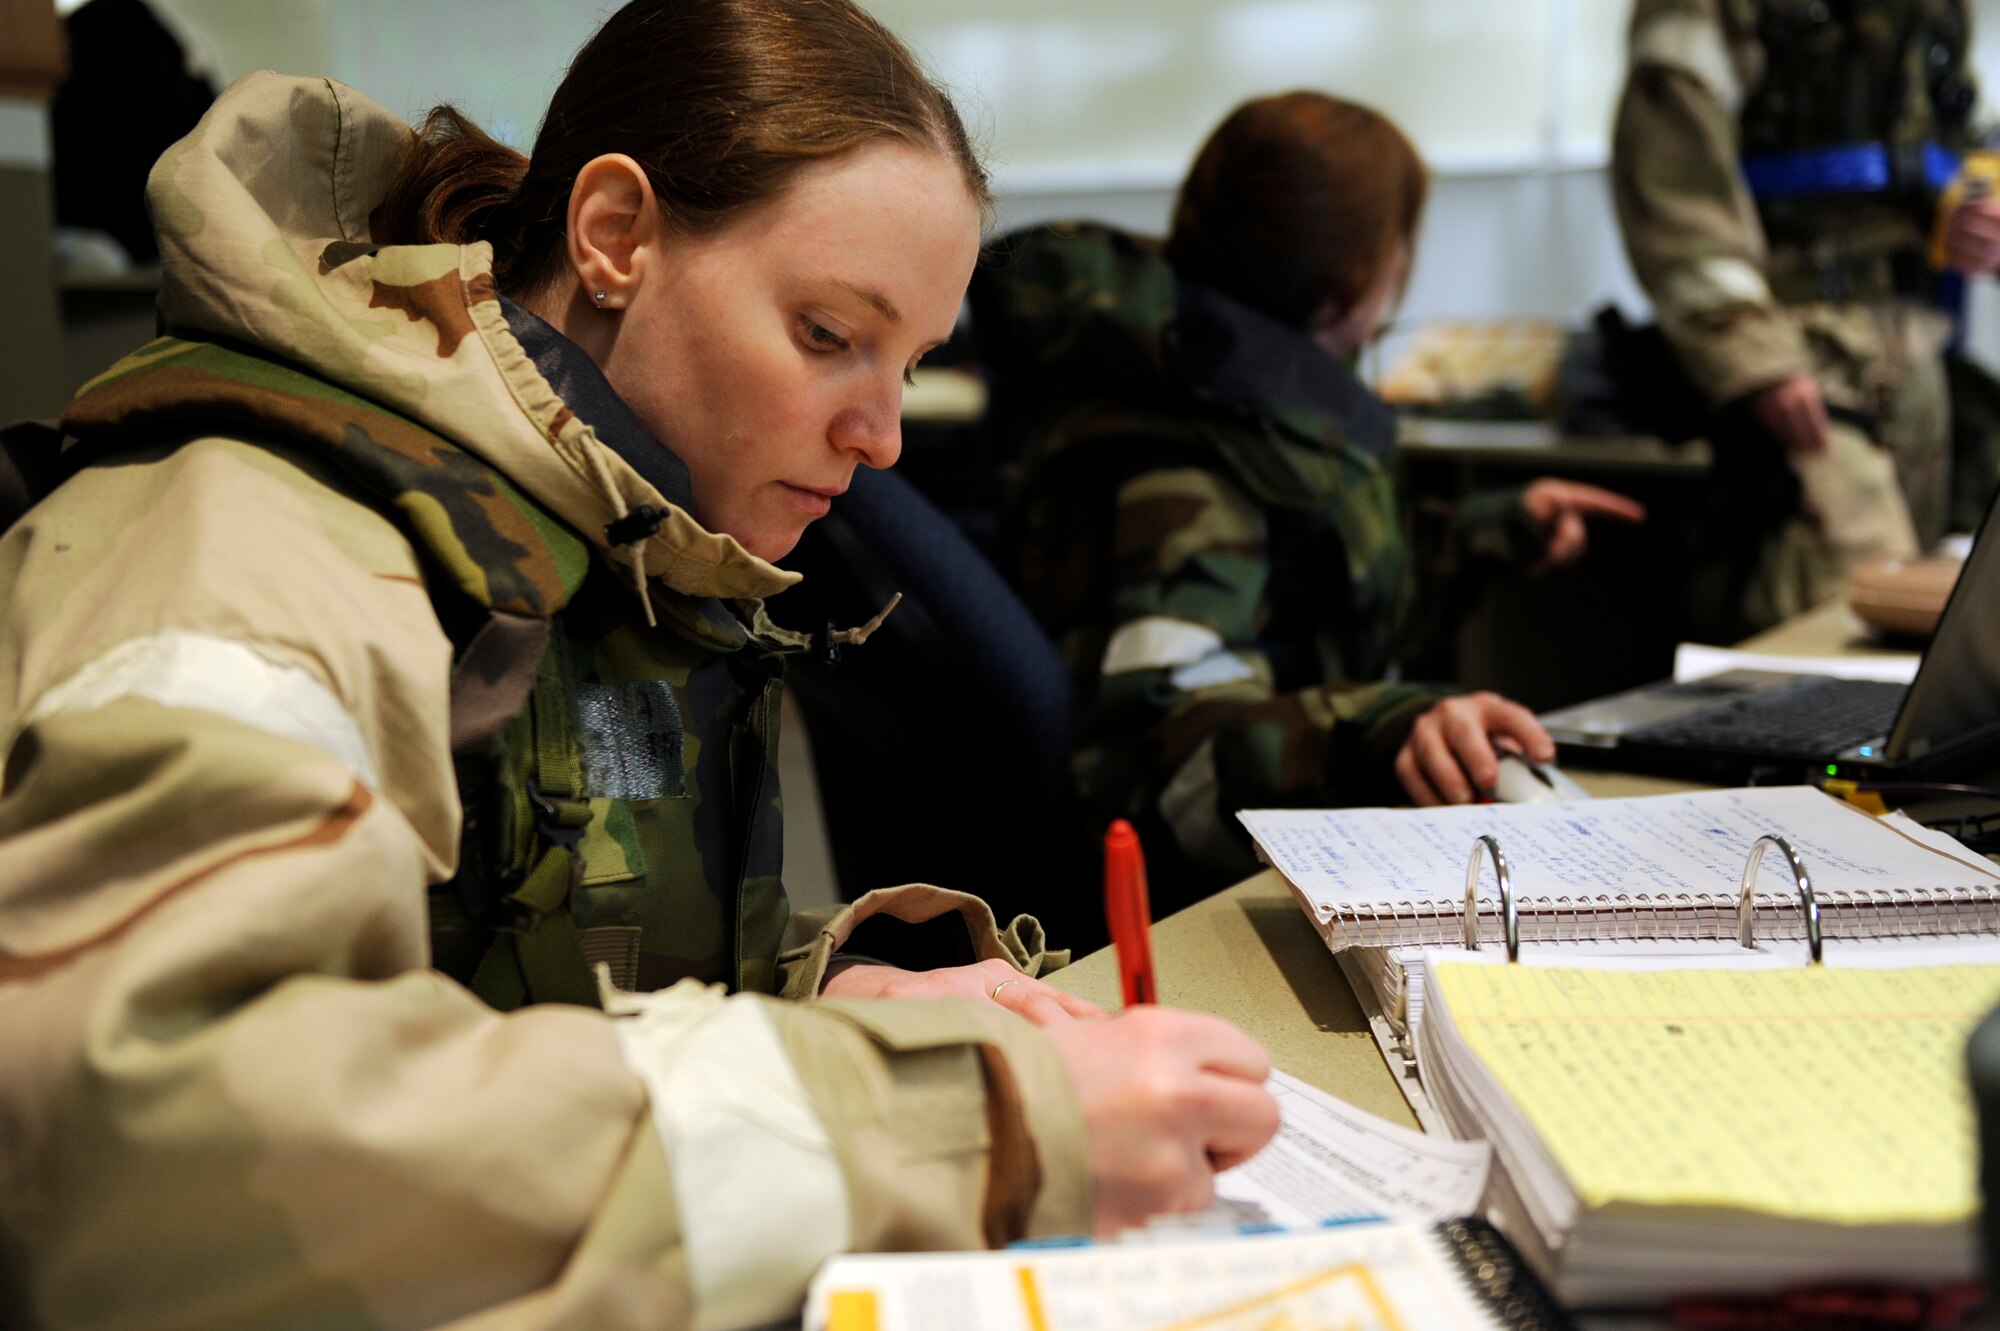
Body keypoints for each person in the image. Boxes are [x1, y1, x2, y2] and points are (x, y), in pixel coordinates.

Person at [0, 3, 1280, 1327]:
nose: (883, 434)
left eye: (911, 361)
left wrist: (818, 991)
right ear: (616, 240)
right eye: (829, 332)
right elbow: (157, 1147)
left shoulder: (616, 532)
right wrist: (959, 1124)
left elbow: (507, 964)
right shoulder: (267, 548)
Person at [973, 92, 1645, 904]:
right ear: (1359, 276)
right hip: (1202, 916)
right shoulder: (1189, 453)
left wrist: (1494, 531)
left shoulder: (1257, 403)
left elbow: (1322, 597)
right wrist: (1377, 731)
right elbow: (1165, 760)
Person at [1611, 0, 2000, 633]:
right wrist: (1755, 358)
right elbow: (1676, 189)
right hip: (1797, 357)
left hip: (1909, 345)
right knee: (1850, 612)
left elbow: (1958, 133)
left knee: (1925, 617)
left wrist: (1975, 209)